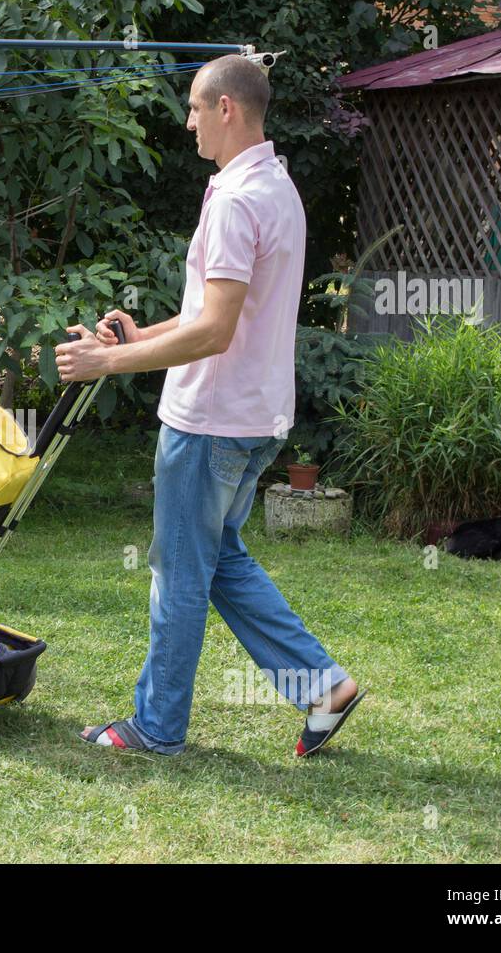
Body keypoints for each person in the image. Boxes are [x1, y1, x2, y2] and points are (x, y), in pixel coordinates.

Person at [54, 54, 365, 757]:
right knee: (219, 561)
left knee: (181, 577)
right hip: (257, 420)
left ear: (227, 108)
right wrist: (144, 333)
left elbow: (216, 331)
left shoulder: (234, 200)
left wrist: (106, 360)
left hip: (211, 423)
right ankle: (323, 687)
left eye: (196, 107)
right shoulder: (274, 185)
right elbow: (216, 312)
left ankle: (155, 728)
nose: (188, 120)